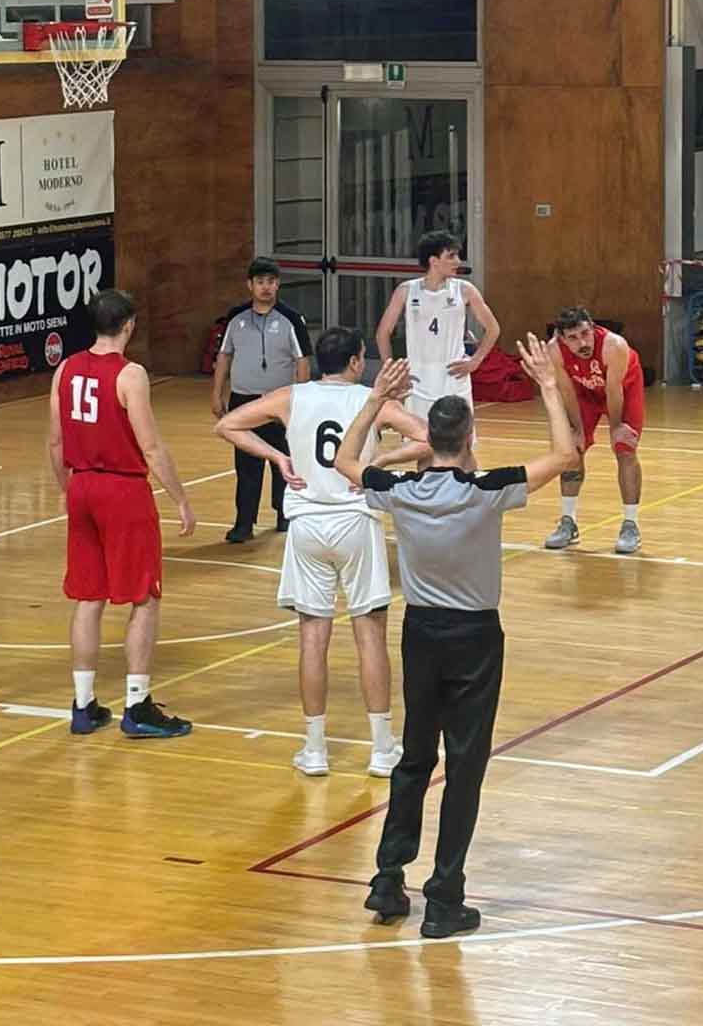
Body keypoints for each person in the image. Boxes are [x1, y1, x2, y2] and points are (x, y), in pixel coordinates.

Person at [334, 337, 577, 939]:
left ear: (429, 440)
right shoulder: (487, 489)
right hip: (474, 636)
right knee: (464, 766)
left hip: (420, 633)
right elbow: (565, 454)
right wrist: (549, 387)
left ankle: (387, 878)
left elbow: (344, 461)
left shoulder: (400, 493)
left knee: (415, 756)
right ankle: (444, 899)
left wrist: (375, 400)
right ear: (469, 438)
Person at [216, 326, 430, 777]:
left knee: (313, 638)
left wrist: (277, 458)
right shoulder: (370, 400)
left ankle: (315, 749)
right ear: (356, 362)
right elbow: (427, 437)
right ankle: (382, 748)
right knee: (369, 635)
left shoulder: (291, 396)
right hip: (355, 522)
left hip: (307, 525)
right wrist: (379, 463)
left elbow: (227, 424)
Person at [48, 288, 196, 738]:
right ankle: (137, 705)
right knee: (144, 596)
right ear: (128, 325)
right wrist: (180, 498)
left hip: (82, 485)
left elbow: (55, 441)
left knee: (88, 596)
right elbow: (151, 447)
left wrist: (67, 489)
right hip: (122, 489)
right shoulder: (130, 374)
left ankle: (83, 704)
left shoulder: (65, 369)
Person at [212, 257, 312, 542]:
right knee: (246, 465)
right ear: (250, 285)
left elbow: (302, 361)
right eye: (260, 282)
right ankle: (244, 523)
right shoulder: (235, 318)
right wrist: (217, 393)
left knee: (285, 462)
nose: (266, 287)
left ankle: (285, 514)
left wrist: (302, 398)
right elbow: (224, 356)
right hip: (243, 401)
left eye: (271, 282)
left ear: (278, 284)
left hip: (280, 403)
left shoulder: (292, 319)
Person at [541, 307, 645, 555]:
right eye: (573, 338)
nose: (583, 343)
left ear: (592, 327)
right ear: (562, 338)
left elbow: (614, 391)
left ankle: (631, 525)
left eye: (585, 334)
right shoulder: (554, 351)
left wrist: (616, 427)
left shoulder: (613, 345)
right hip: (583, 391)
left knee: (625, 449)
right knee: (571, 450)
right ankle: (568, 522)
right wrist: (578, 430)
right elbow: (567, 391)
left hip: (624, 388)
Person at [374, 230, 501, 427]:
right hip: (417, 380)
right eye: (451, 256)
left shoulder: (465, 290)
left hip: (454, 379)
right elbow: (383, 334)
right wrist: (393, 373)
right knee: (419, 440)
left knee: (460, 440)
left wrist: (475, 361)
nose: (458, 261)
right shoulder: (406, 290)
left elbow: (493, 329)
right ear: (433, 261)